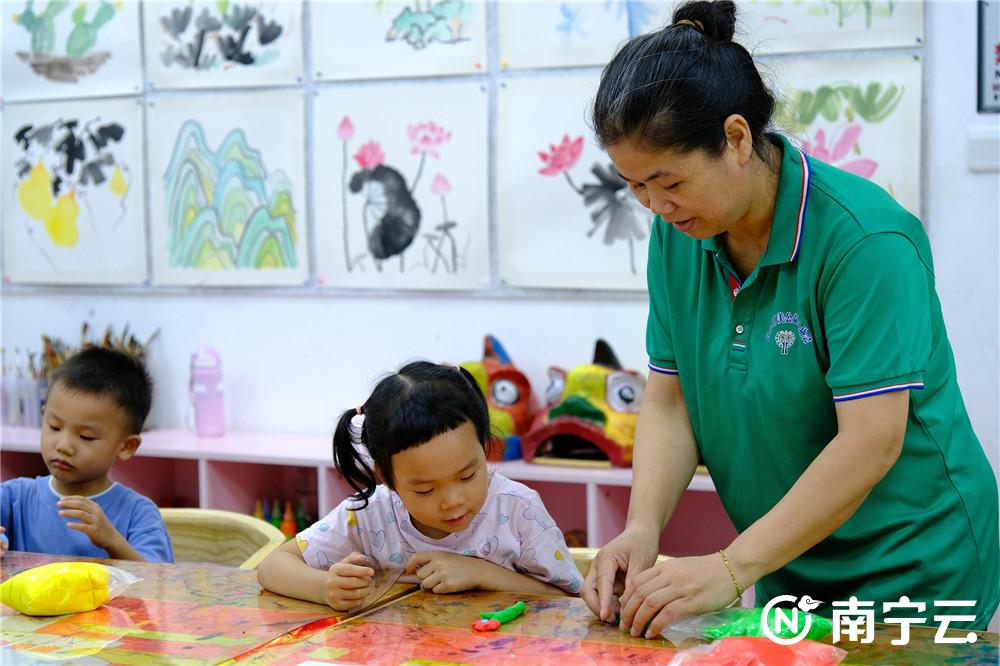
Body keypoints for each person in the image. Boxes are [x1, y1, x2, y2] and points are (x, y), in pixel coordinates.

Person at [581, 0, 999, 638]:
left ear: (737, 138)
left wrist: (730, 565)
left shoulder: (866, 242)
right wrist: (642, 530)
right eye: (634, 186)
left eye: (667, 181)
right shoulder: (680, 236)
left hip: (914, 562)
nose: (654, 206)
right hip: (790, 555)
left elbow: (871, 441)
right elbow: (672, 400)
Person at [257, 361, 582, 609]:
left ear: (485, 449)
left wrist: (482, 574)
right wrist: (325, 586)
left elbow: (571, 600)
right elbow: (272, 566)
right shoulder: (370, 515)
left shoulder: (517, 509)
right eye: (425, 489)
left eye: (468, 476)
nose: (453, 501)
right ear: (387, 478)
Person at [0, 347, 173, 562]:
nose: (64, 446)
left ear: (127, 446)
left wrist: (112, 541)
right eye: (54, 427)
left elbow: (159, 585)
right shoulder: (13, 498)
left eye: (86, 437)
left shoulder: (139, 513)